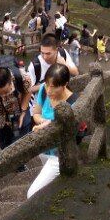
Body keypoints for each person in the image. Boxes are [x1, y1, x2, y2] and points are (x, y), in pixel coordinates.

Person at [27, 64, 78, 199]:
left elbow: (65, 126)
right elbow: (36, 113)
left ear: (65, 84)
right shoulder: (44, 90)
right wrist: (44, 122)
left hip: (59, 153)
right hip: (44, 148)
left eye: (54, 86)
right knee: (49, 182)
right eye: (47, 84)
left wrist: (47, 125)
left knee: (32, 193)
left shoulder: (73, 103)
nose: (49, 89)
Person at [28, 34, 79, 103]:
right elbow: (29, 89)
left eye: (48, 53)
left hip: (61, 99)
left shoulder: (62, 53)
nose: (45, 57)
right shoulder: (35, 66)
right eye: (42, 53)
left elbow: (76, 72)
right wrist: (48, 84)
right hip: (41, 103)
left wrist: (65, 64)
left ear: (56, 50)